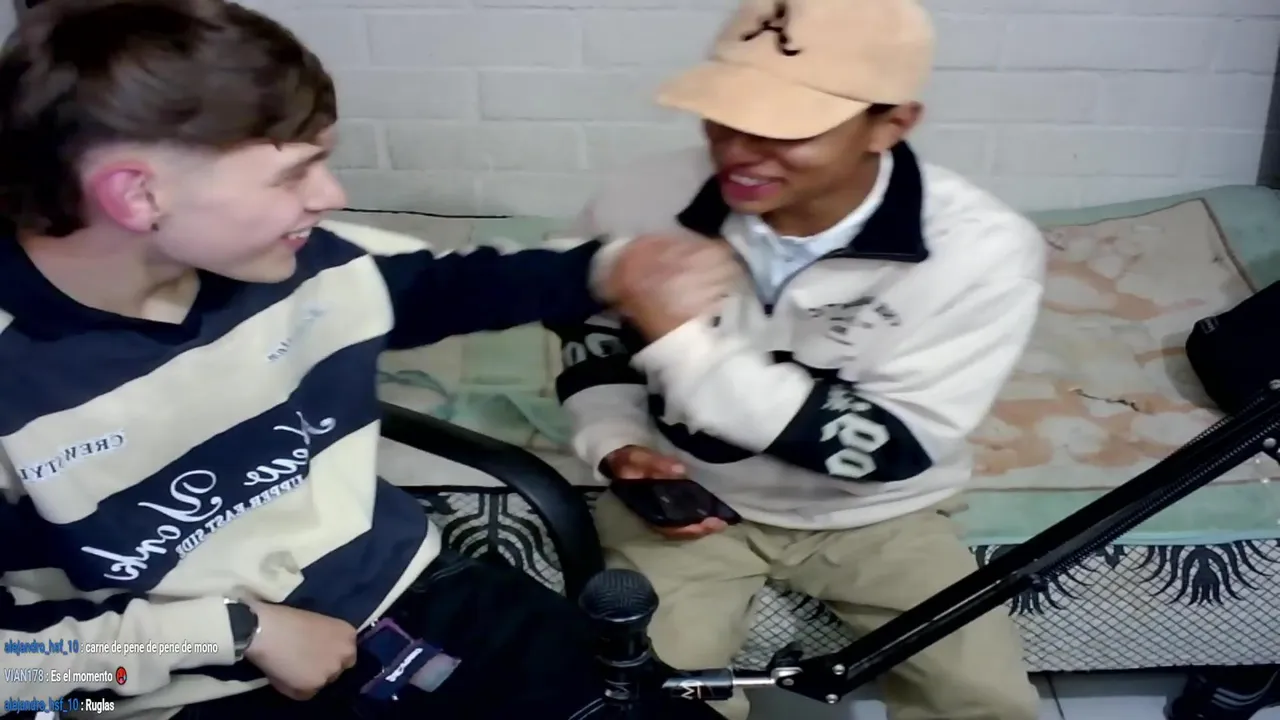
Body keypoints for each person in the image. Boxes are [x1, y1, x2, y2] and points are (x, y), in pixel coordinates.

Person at [0, 1, 737, 718]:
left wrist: (617, 271)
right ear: (137, 194)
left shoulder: (308, 265)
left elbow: (452, 286)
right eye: (294, 173)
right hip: (190, 686)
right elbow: (16, 674)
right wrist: (234, 632)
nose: (331, 195)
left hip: (417, 595)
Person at [550, 0, 1048, 718]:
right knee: (641, 702)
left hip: (884, 514)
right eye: (724, 115)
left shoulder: (981, 250)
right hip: (693, 494)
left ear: (892, 123)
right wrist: (615, 442)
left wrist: (676, 340)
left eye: (786, 128)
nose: (739, 151)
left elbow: (884, 447)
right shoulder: (640, 197)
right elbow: (587, 333)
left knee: (985, 703)